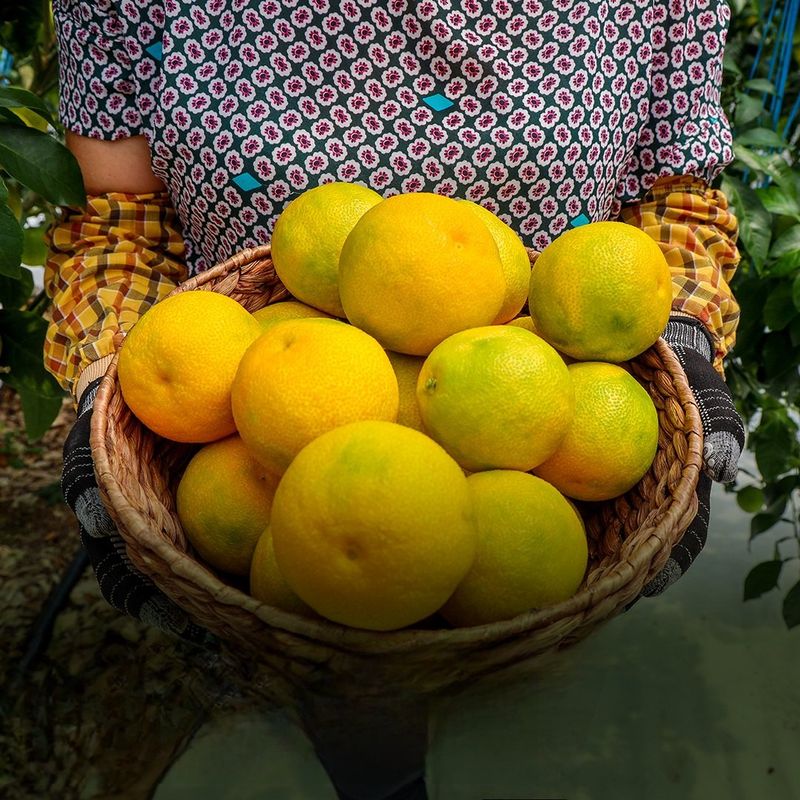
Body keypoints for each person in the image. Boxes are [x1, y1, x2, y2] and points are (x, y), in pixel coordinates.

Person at [45, 0, 746, 797]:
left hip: (543, 424)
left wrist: (681, 334)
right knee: (349, 696)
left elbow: (676, 196)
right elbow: (119, 220)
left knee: (504, 690)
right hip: (249, 420)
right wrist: (115, 375)